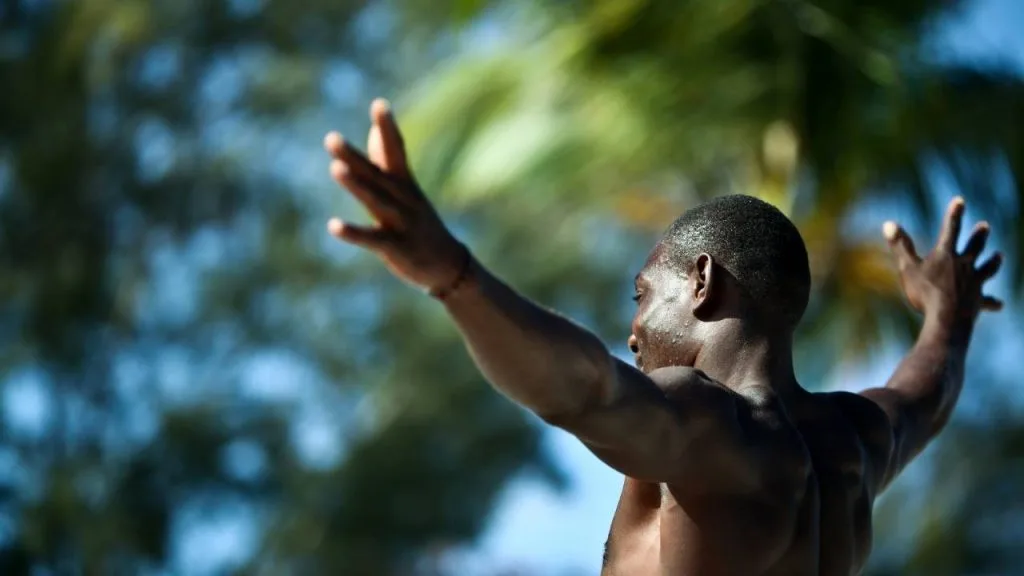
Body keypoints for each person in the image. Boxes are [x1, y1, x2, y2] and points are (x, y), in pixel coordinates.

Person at [321, 99, 1004, 576]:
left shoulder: (713, 421)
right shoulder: (857, 440)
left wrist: (453, 275)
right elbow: (925, 395)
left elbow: (585, 390)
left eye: (643, 296)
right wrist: (949, 314)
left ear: (702, 281)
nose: (634, 331)